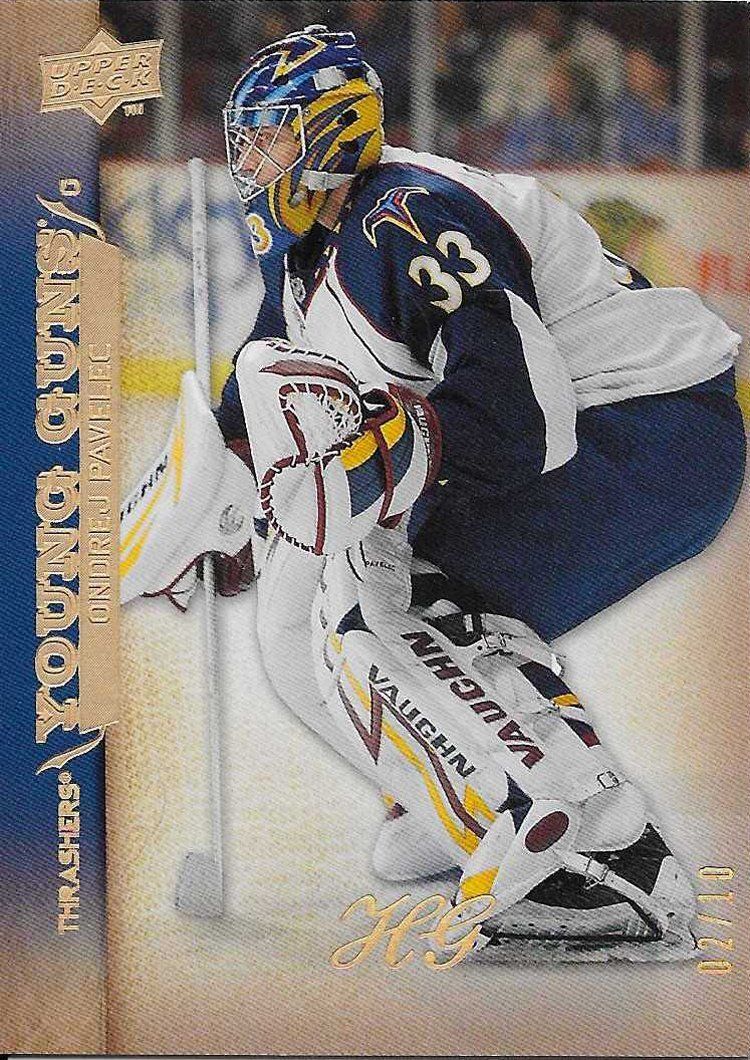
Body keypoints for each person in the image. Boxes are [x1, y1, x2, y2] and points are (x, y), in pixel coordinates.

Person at [121, 26, 745, 962]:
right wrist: (224, 510)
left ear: (330, 132)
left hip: (648, 431)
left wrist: (362, 476)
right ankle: (461, 797)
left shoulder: (410, 215)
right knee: (299, 613)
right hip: (611, 439)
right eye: (245, 141)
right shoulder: (308, 250)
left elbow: (519, 418)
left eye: (270, 137)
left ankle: (596, 851)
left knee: (384, 585)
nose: (249, 161)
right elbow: (256, 399)